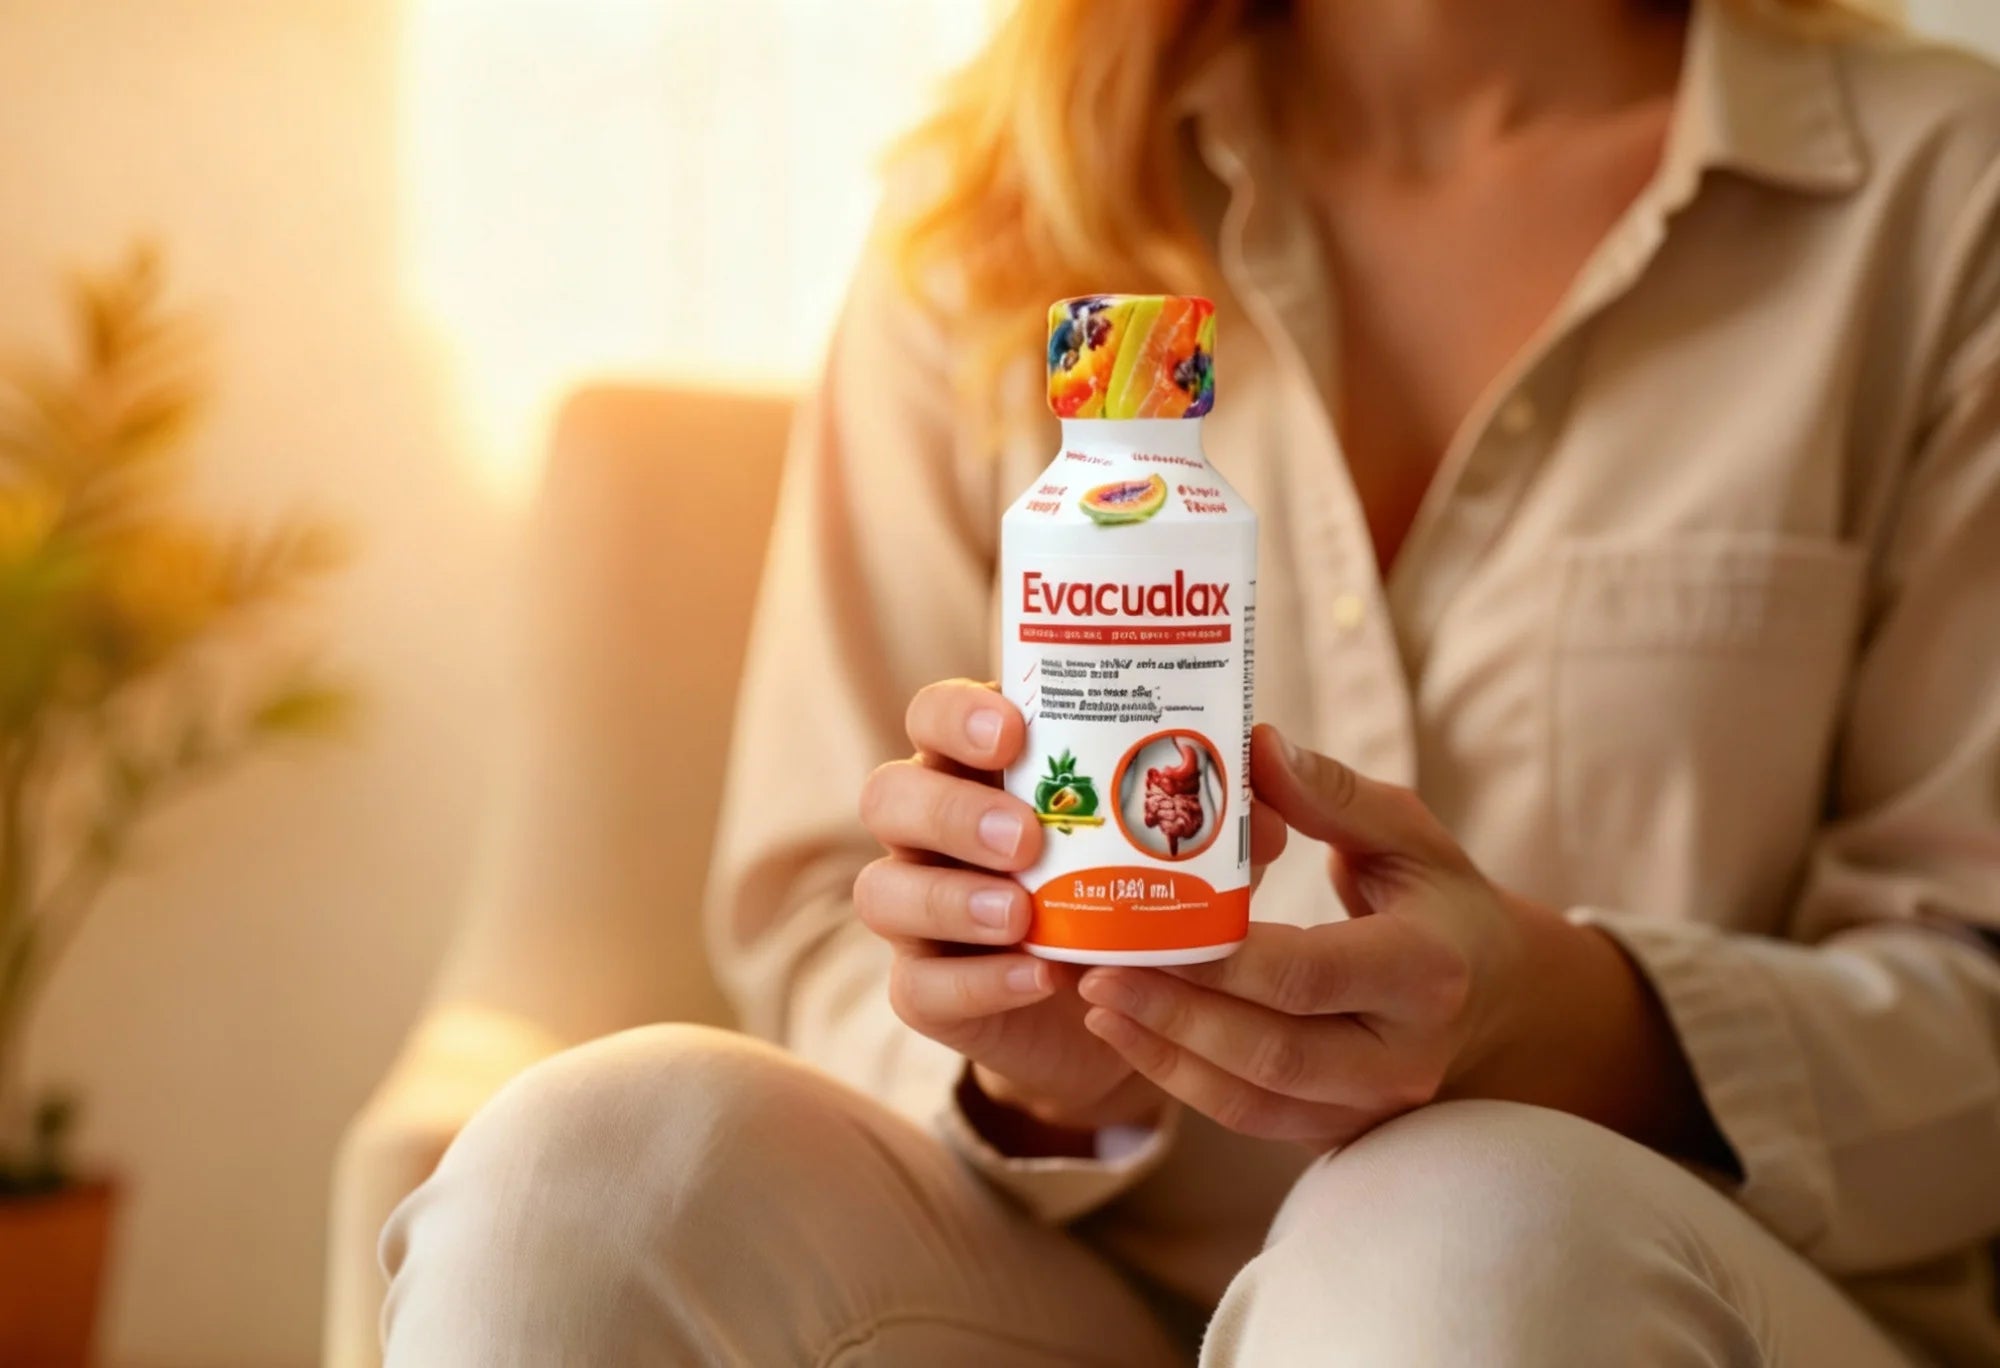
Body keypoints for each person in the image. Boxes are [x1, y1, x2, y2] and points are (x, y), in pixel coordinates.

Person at [380, 0, 2000, 1362]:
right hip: (1061, 1283)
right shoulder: (995, 211)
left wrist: (1555, 1017)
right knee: (572, 1169)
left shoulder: (1939, 193)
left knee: (1466, 1226)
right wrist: (1025, 1070)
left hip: (1681, 1275)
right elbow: (817, 915)